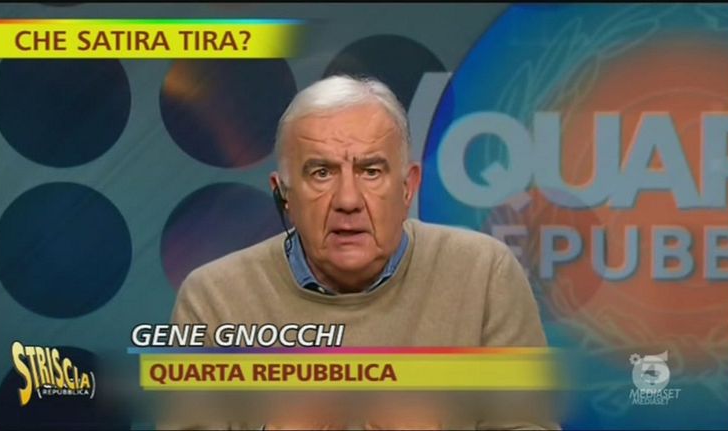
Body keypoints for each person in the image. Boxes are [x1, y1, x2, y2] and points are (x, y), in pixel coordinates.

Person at [165, 75, 555, 430]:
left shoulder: (484, 275)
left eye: (371, 171)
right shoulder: (213, 298)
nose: (348, 200)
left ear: (407, 187)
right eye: (321, 172)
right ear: (283, 195)